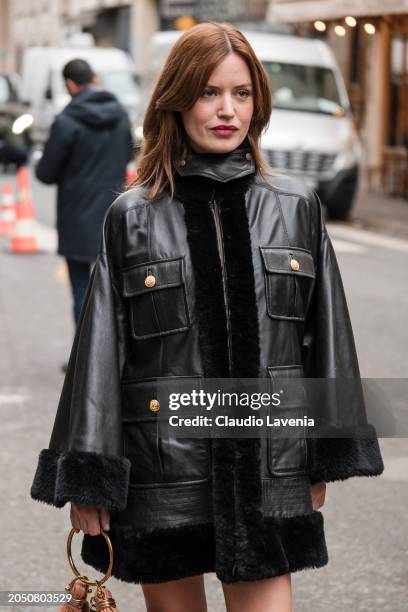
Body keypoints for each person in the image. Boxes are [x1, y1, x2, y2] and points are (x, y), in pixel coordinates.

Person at [30, 23, 384, 612]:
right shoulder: (133, 216)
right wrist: (89, 477)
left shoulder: (296, 207)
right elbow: (99, 354)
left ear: (258, 102)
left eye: (242, 94)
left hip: (269, 469)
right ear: (176, 100)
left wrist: (326, 451)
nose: (227, 111)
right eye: (209, 92)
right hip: (161, 473)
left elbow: (327, 339)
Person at [35, 58, 134, 326]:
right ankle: (117, 360)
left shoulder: (66, 121)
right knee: (116, 290)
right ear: (93, 78)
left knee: (81, 289)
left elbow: (45, 173)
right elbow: (128, 154)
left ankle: (85, 362)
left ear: (69, 84)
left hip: (76, 217)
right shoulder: (121, 115)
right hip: (115, 214)